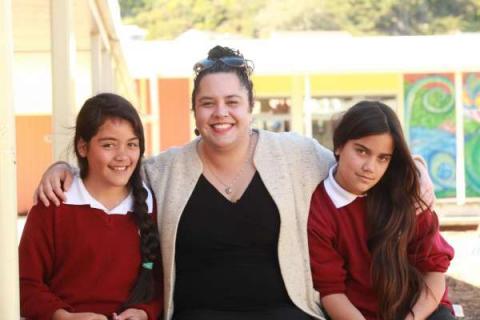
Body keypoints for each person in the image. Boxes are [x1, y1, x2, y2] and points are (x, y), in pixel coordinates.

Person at [32, 47, 435, 320]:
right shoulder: (166, 170)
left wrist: (414, 166)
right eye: (208, 103)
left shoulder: (294, 155)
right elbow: (116, 166)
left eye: (232, 102)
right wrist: (63, 166)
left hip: (287, 312)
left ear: (250, 108)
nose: (220, 113)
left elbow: (358, 162)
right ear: (194, 110)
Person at [19, 93, 162, 320]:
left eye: (132, 145)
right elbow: (25, 283)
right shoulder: (54, 204)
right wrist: (63, 317)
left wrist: (145, 312)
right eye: (109, 145)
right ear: (83, 147)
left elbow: (164, 283)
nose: (123, 156)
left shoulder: (153, 203)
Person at [308, 101, 455, 320]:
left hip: (421, 311)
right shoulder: (320, 209)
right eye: (361, 151)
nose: (370, 167)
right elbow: (331, 292)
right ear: (339, 145)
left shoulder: (405, 193)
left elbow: (434, 270)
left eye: (382, 158)